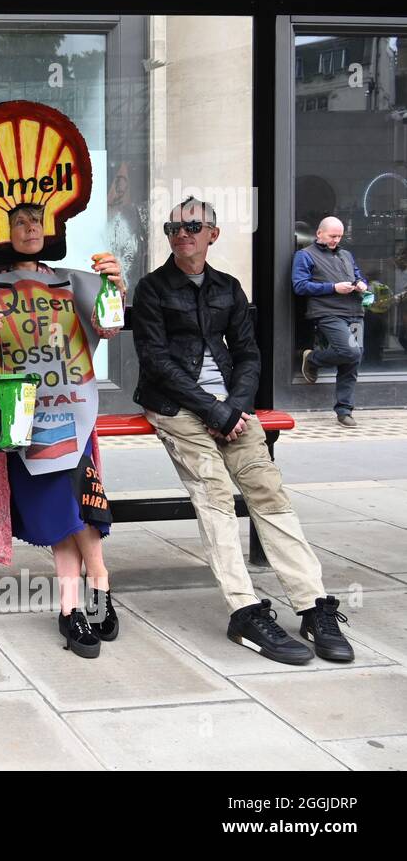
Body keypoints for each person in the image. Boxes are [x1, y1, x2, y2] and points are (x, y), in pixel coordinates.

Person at [131, 196, 353, 665]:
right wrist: (214, 411)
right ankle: (245, 610)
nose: (182, 233)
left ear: (213, 234)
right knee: (212, 493)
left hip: (232, 411)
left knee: (268, 492)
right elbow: (156, 362)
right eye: (174, 227)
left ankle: (313, 605)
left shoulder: (229, 288)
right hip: (176, 408)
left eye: (193, 226)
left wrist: (235, 406)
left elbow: (249, 355)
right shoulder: (152, 288)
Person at [0, 204, 125, 658]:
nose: (30, 229)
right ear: (1, 233)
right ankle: (84, 601)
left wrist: (115, 289)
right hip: (21, 422)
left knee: (81, 509)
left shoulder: (75, 282)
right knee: (65, 516)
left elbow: (108, 327)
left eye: (36, 222)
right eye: (20, 222)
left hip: (74, 414)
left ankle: (85, 598)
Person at [293, 216, 366, 427]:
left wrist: (361, 284)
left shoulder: (346, 255)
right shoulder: (304, 255)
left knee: (353, 360)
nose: (336, 240)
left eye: (340, 236)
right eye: (333, 236)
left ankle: (344, 411)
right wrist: (333, 288)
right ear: (319, 233)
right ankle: (313, 359)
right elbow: (299, 286)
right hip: (327, 313)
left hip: (355, 311)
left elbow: (359, 276)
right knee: (351, 352)